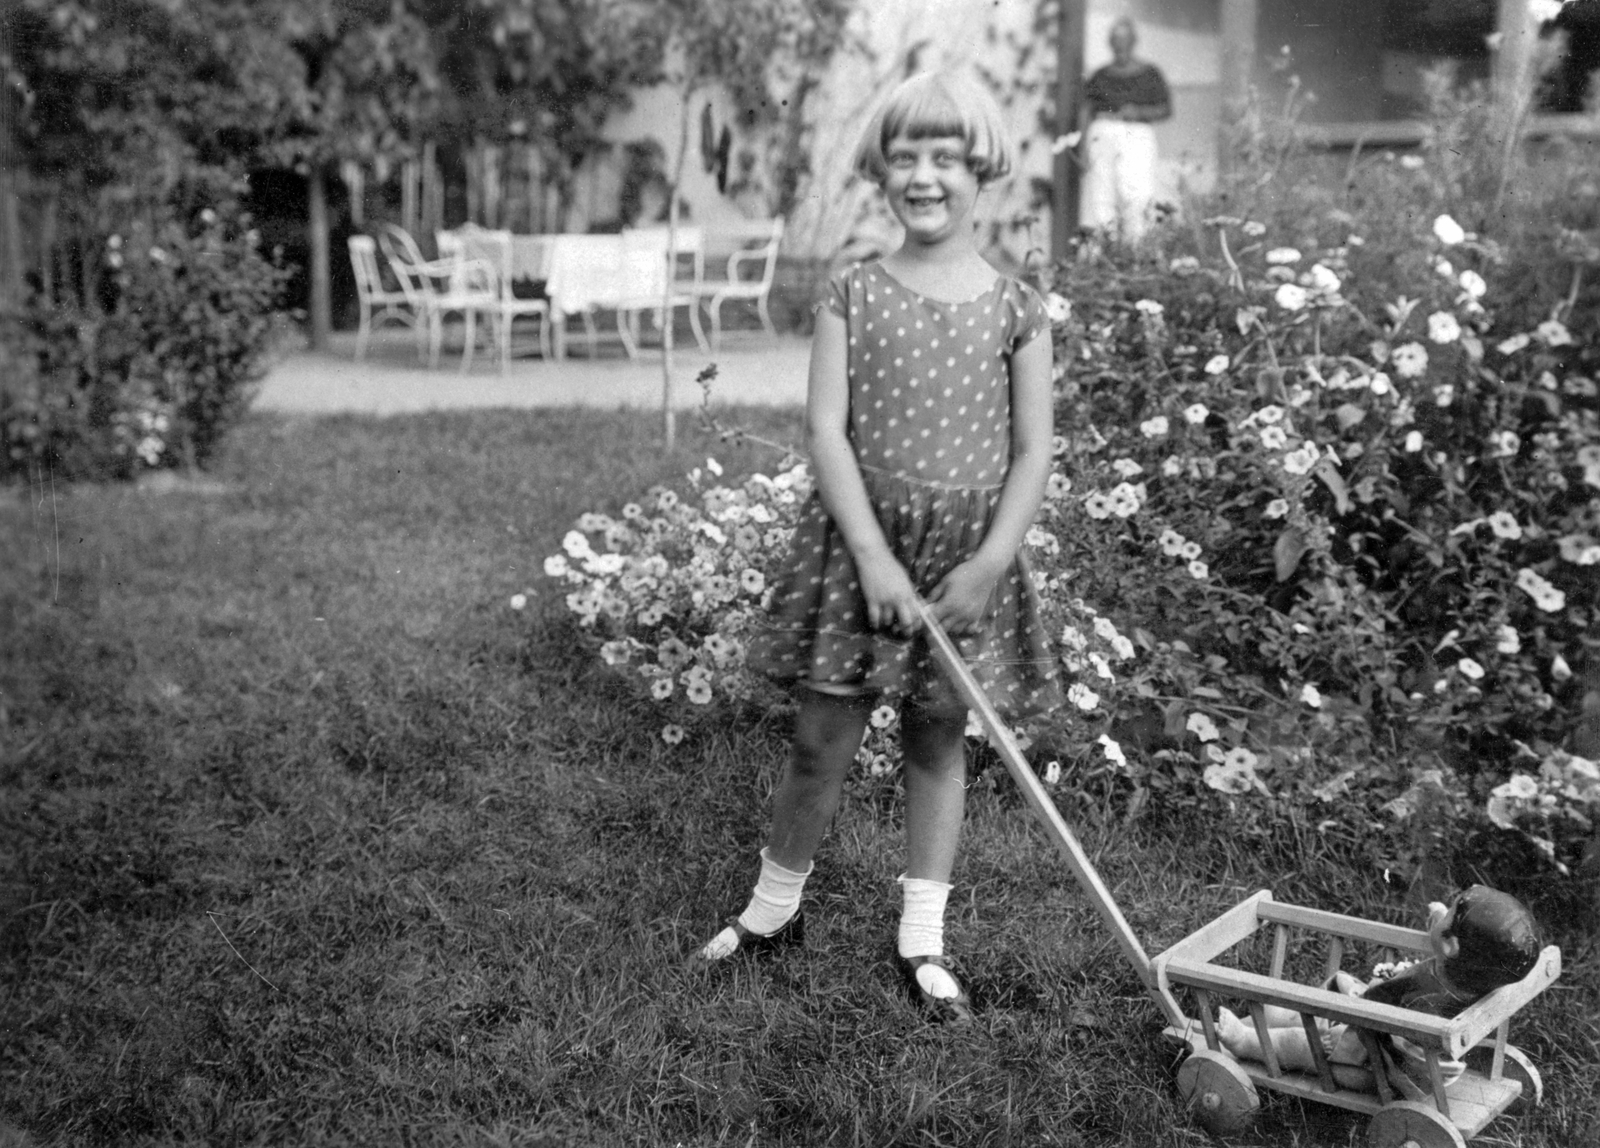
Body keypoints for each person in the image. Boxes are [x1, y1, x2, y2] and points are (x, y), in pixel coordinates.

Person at [686, 70, 1061, 1025]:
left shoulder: (1018, 308)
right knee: (822, 738)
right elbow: (826, 432)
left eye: (946, 158)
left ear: (983, 171)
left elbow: (1032, 449)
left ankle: (922, 941)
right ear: (880, 170)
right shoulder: (854, 291)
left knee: (936, 740)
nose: (925, 176)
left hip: (966, 556)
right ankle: (773, 915)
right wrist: (874, 556)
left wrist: (986, 565)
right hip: (864, 549)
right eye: (906, 157)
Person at [1215, 886, 1543, 1093]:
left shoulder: (1421, 988)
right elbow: (1447, 949)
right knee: (1339, 983)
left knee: (1302, 1043)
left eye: (1452, 912)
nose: (1447, 912)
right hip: (1417, 1054)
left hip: (1373, 1066)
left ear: (1451, 944)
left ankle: (1246, 1043)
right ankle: (1285, 1017)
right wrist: (1442, 920)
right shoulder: (1472, 980)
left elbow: (1367, 1006)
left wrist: (1379, 983)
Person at [1079, 17, 1171, 243]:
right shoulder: (1100, 75)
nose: (1120, 45)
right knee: (1101, 198)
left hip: (1136, 135)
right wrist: (1082, 148)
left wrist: (1139, 112)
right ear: (1110, 43)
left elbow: (1165, 109)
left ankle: (1137, 255)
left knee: (1137, 197)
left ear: (1133, 42)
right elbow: (1085, 110)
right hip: (1103, 135)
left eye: (1125, 40)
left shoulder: (1149, 73)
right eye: (1116, 40)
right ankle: (1100, 254)